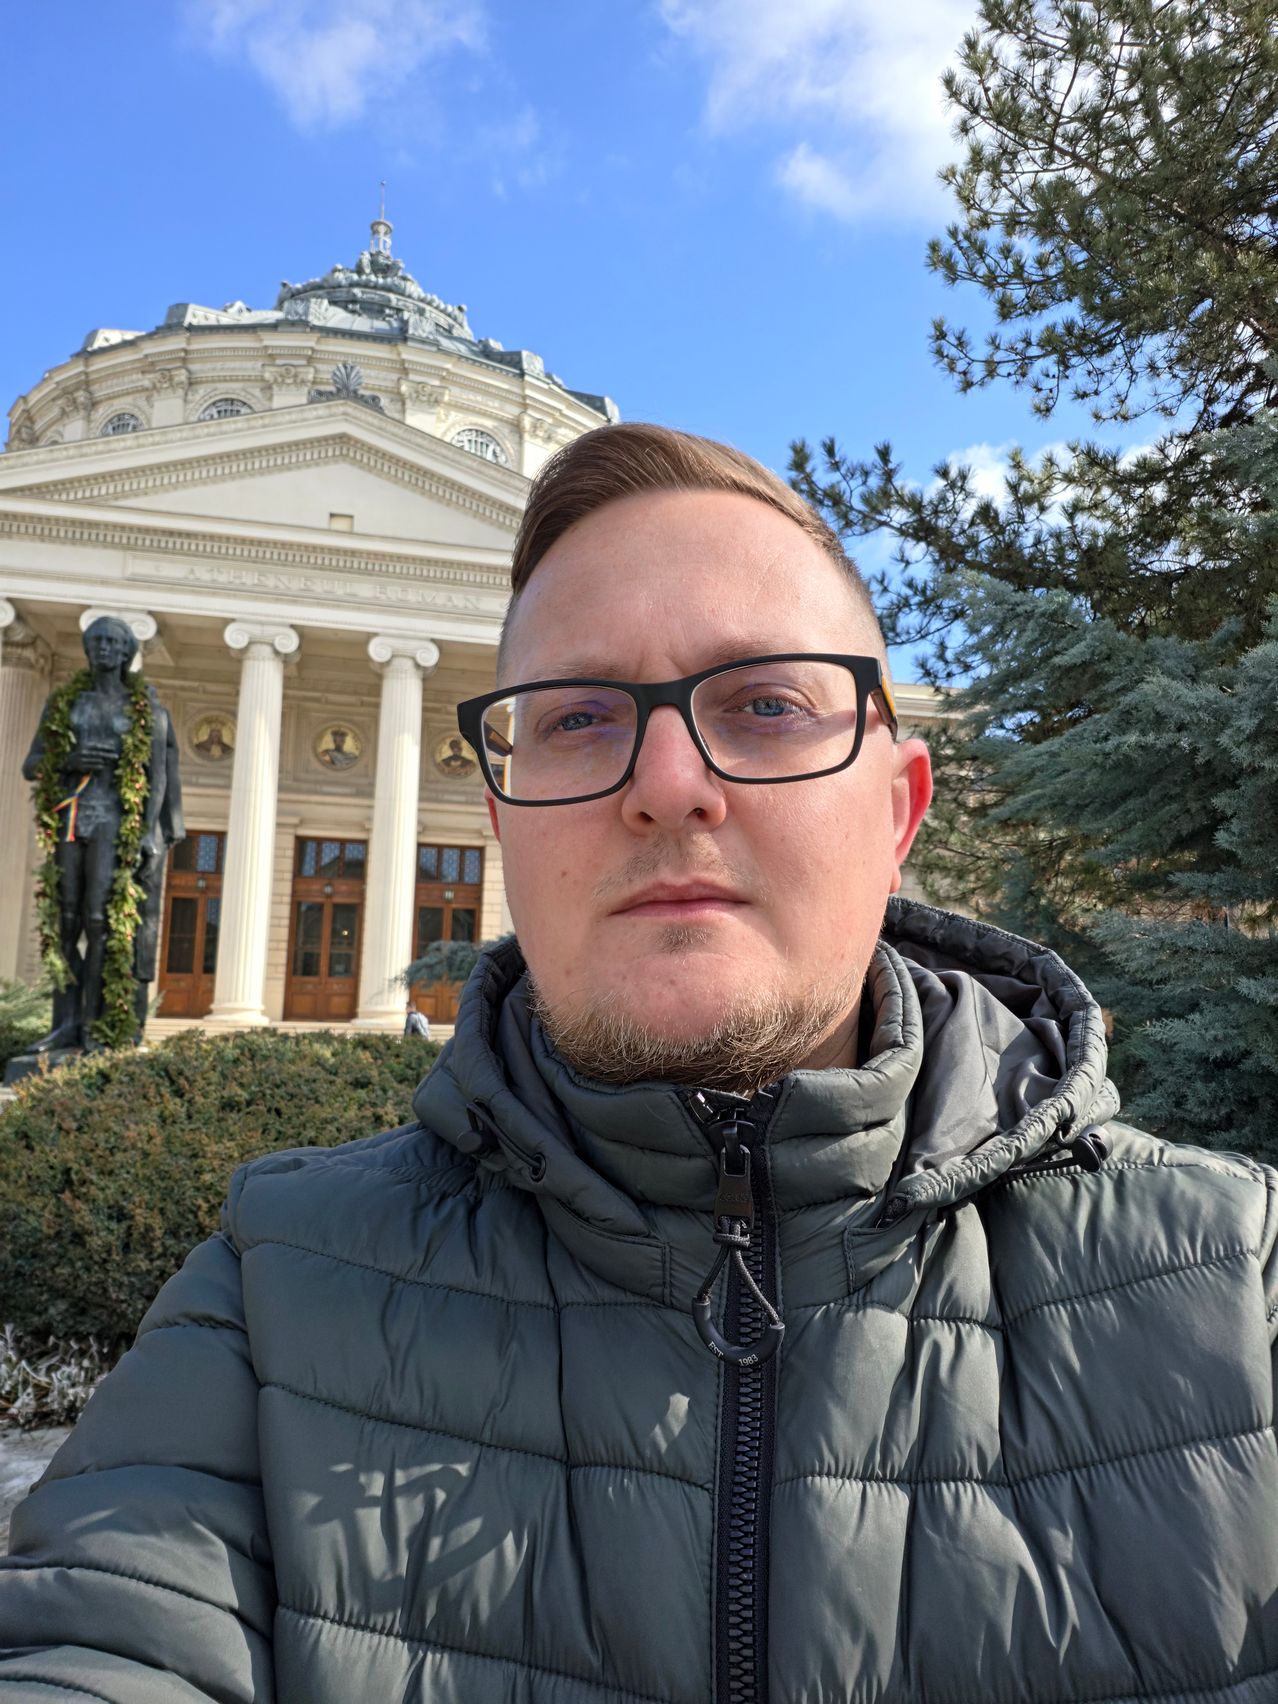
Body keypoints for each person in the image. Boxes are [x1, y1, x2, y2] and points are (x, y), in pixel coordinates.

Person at [2, 423, 1276, 1703]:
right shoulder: (272, 1296)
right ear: (500, 821)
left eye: (765, 704)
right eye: (578, 717)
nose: (668, 786)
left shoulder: (1235, 1285)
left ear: (898, 810)